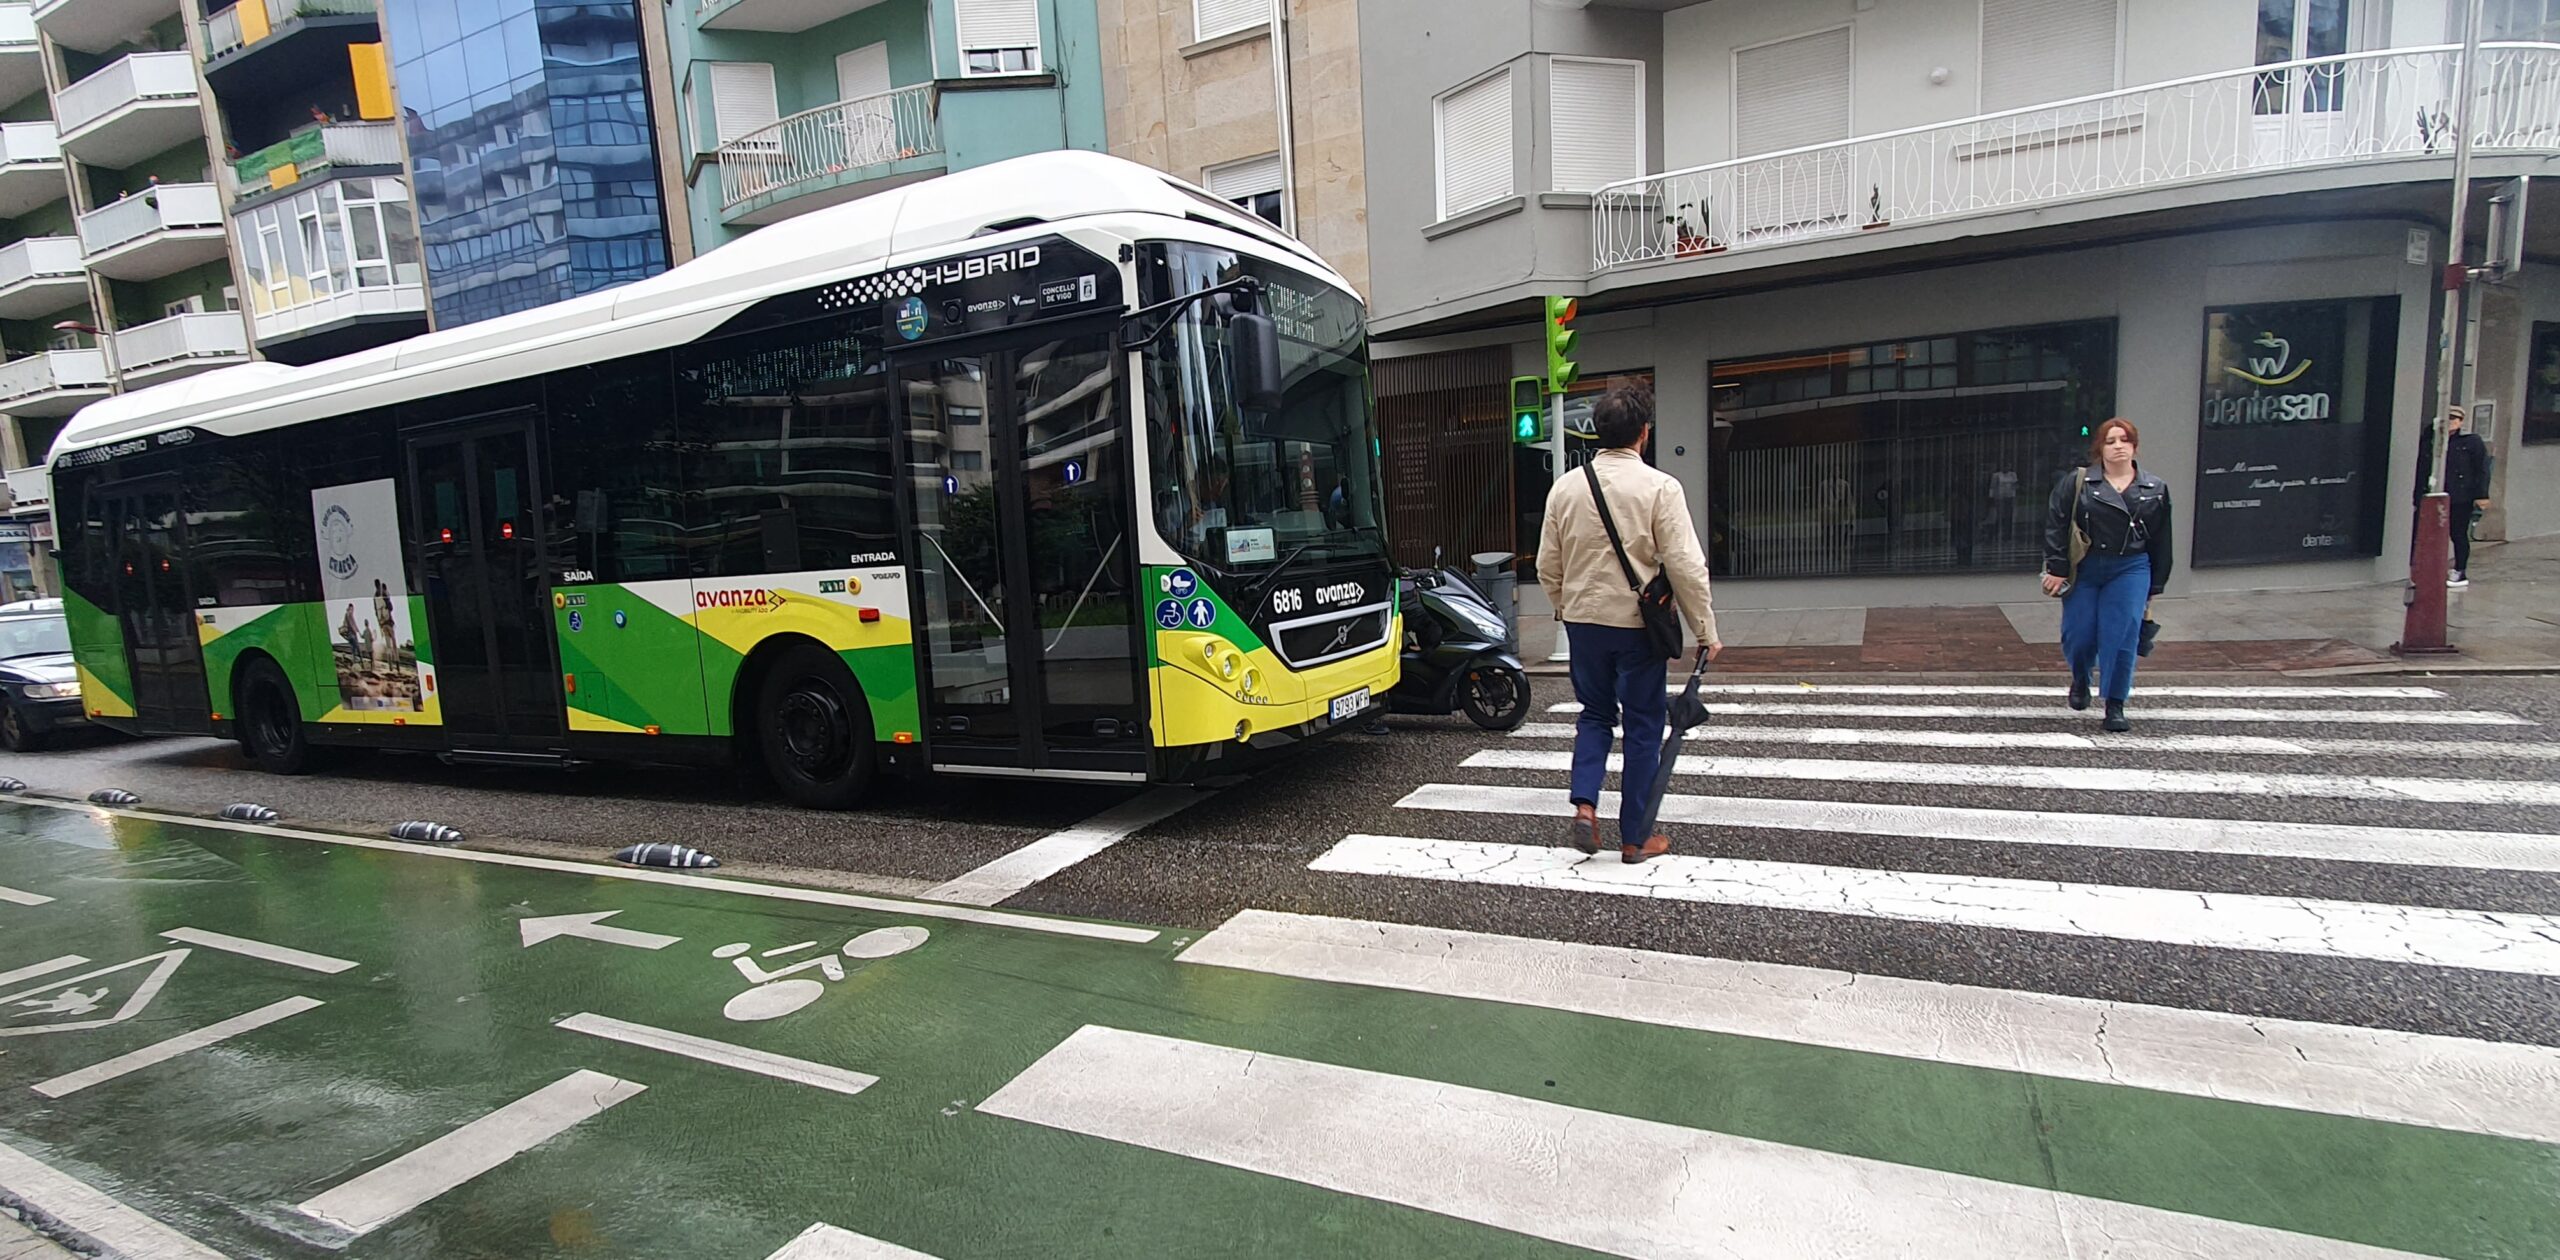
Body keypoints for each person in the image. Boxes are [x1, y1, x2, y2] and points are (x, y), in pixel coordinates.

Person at [1535, 382, 1721, 864]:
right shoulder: (1660, 487)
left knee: (1595, 716)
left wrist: (1565, 604)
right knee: (1641, 725)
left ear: (1597, 433)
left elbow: (1546, 565)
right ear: (1644, 432)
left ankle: (1584, 807)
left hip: (1583, 623)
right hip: (1638, 627)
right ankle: (1636, 837)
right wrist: (1706, 630)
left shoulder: (1565, 489)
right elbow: (1685, 565)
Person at [2042, 418, 2172, 733]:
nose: (2117, 447)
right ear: (2100, 447)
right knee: (2080, 633)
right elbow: (2057, 524)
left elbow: (2161, 539)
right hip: (2085, 565)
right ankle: (2081, 676)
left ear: (2134, 446)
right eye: (2110, 441)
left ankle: (2115, 703)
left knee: (2122, 633)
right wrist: (2057, 568)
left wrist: (2155, 584)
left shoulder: (2154, 488)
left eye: (2123, 440)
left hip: (2130, 566)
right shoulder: (2079, 482)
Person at [2415, 406, 2492, 588]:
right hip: (2434, 493)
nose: (2451, 422)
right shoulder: (2431, 440)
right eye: (2447, 418)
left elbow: (2482, 469)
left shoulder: (2471, 441)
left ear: (2461, 422)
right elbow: (2422, 468)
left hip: (2460, 495)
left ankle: (2460, 569)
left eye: (2455, 419)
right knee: (2430, 533)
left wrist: (2481, 495)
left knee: (2458, 533)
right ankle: (2429, 568)